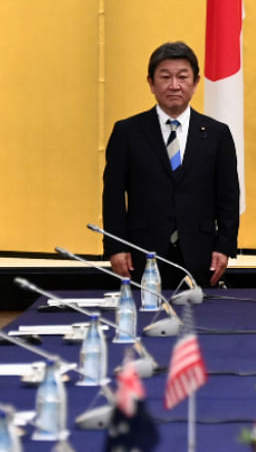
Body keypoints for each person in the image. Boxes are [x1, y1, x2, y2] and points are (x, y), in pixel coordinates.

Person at [102, 41, 239, 288]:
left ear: (196, 82)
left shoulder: (217, 134)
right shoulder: (128, 132)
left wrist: (224, 246)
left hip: (201, 253)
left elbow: (228, 196)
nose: (174, 85)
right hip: (141, 253)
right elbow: (112, 196)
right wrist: (116, 247)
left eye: (182, 77)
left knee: (202, 320)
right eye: (165, 77)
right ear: (151, 83)